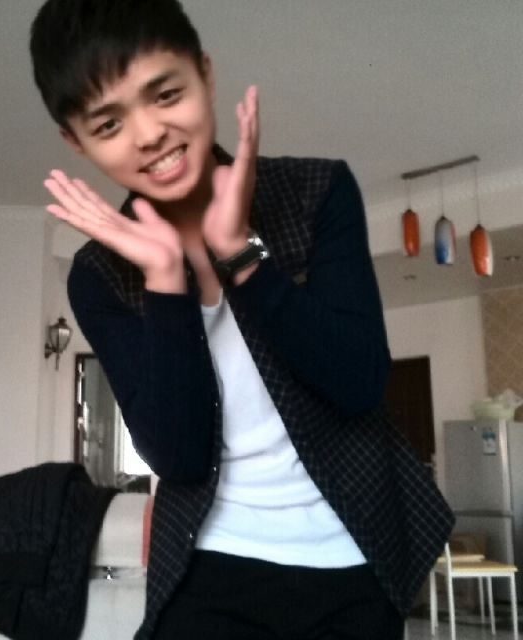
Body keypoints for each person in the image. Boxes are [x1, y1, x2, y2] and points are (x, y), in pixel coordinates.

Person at [29, 1, 454, 638]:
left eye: (166, 94)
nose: (148, 135)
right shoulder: (99, 274)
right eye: (109, 123)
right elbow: (180, 457)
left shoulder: (316, 192)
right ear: (75, 141)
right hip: (207, 563)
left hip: (353, 559)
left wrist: (241, 257)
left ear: (205, 74)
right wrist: (166, 278)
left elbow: (359, 383)